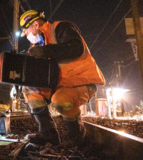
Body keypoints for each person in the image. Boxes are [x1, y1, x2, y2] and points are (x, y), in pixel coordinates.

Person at [19, 10, 105, 146]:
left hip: (81, 81)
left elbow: (76, 48)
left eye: (27, 32)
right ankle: (48, 134)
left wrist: (45, 51)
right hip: (58, 85)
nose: (27, 36)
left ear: (35, 24)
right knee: (29, 89)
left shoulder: (60, 28)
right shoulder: (39, 45)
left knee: (61, 101)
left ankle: (77, 138)